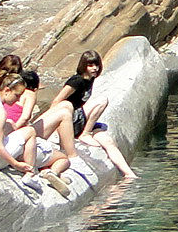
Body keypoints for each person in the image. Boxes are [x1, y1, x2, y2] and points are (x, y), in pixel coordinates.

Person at [0, 72, 70, 193]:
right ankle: (30, 175)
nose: (18, 99)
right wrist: (15, 164)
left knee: (12, 126)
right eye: (17, 95)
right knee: (30, 131)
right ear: (7, 90)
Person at [39, 50, 137, 179]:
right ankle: (85, 133)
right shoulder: (77, 81)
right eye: (90, 65)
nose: (95, 68)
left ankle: (129, 174)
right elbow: (58, 100)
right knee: (102, 101)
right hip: (70, 120)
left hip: (79, 119)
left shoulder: (90, 80)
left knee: (107, 140)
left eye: (96, 65)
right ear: (83, 66)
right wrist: (52, 124)